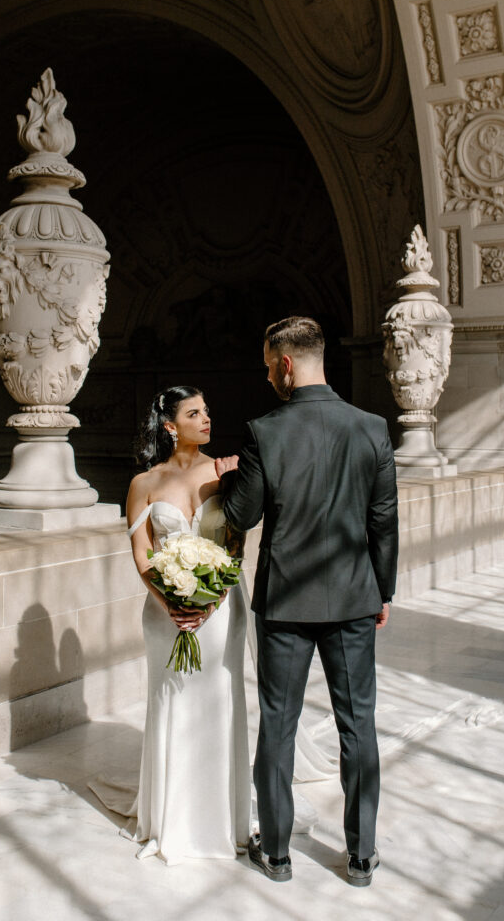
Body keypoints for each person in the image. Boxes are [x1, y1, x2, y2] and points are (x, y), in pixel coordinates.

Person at [215, 316, 398, 886]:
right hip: (352, 599)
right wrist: (382, 590)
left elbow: (241, 516)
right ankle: (362, 855)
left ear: (287, 364)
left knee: (279, 724)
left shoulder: (265, 432)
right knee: (358, 724)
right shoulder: (371, 428)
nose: (268, 373)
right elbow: (383, 521)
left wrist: (228, 477)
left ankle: (275, 854)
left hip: (285, 601)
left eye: (269, 364)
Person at [124, 385, 250, 865]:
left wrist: (209, 601)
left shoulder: (226, 472)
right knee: (171, 699)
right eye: (194, 412)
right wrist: (171, 604)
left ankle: (221, 820)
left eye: (208, 410)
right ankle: (168, 820)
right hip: (165, 613)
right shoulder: (144, 483)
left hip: (221, 608)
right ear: (170, 425)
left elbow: (236, 545)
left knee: (219, 698)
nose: (207, 419)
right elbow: (142, 554)